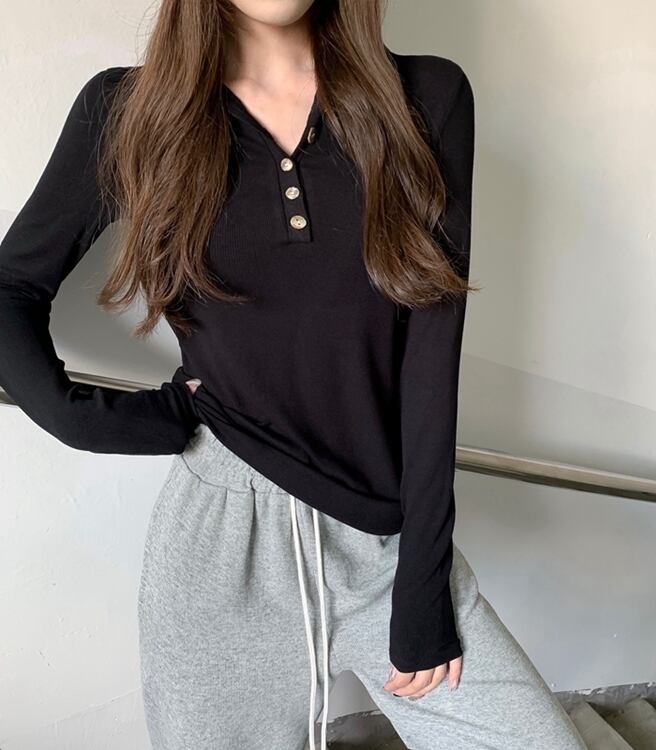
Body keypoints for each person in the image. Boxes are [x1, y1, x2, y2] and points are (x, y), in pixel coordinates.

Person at [0, 1, 589, 749]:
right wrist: (89, 421)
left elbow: (432, 364)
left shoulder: (426, 99)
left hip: (383, 545)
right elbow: (10, 288)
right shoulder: (127, 111)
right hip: (220, 547)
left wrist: (422, 584)